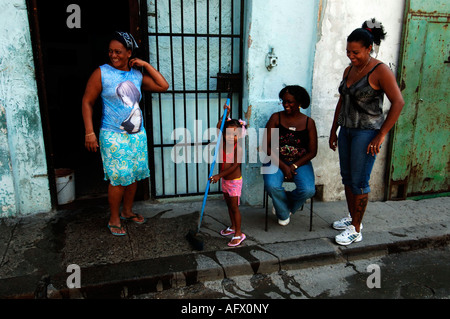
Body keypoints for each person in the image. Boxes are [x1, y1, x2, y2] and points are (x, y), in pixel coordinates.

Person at [82, 31, 169, 236]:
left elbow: (163, 86)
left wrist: (146, 65)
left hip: (137, 134)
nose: (113, 55)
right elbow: (87, 101)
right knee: (119, 178)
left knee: (134, 175)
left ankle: (127, 211)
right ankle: (114, 217)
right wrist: (89, 132)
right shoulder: (101, 73)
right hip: (112, 135)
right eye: (111, 51)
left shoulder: (136, 75)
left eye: (119, 52)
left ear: (129, 53)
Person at [329, 19, 405, 245]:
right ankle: (353, 218)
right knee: (347, 178)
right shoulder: (349, 69)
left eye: (356, 52)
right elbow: (342, 101)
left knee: (360, 181)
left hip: (366, 133)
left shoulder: (380, 70)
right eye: (348, 52)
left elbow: (398, 102)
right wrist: (334, 129)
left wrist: (381, 134)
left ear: (368, 48)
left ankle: (356, 228)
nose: (351, 56)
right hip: (347, 131)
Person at [263, 85, 317, 226]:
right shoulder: (276, 118)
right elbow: (265, 146)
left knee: (308, 190)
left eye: (290, 102)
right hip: (275, 160)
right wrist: (284, 166)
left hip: (300, 162)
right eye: (284, 101)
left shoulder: (308, 122)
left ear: (299, 102)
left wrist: (293, 165)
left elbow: (312, 151)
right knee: (272, 186)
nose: (286, 105)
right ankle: (283, 211)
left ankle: (281, 203)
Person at [209, 104, 247, 247]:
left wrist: (218, 175)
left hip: (234, 181)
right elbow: (219, 125)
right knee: (229, 205)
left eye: (235, 134)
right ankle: (232, 227)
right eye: (228, 133)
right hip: (225, 180)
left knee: (234, 207)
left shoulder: (239, 147)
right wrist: (226, 113)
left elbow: (234, 166)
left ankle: (239, 233)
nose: (231, 137)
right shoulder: (223, 142)